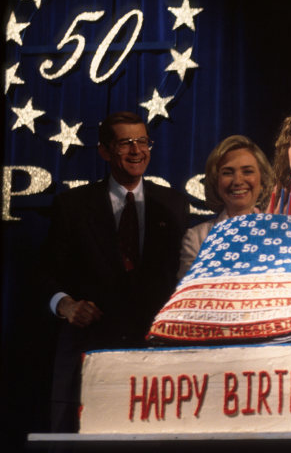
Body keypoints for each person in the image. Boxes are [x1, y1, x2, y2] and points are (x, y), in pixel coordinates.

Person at [40, 111, 188, 432]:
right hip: (87, 353)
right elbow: (43, 275)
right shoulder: (72, 206)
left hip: (153, 357)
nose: (137, 151)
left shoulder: (175, 205)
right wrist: (65, 305)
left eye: (143, 141)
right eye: (125, 143)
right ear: (105, 151)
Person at [177, 135, 274, 278]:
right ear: (216, 182)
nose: (238, 181)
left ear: (263, 179)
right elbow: (188, 294)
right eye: (227, 173)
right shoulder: (197, 238)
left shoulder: (278, 231)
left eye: (247, 171)